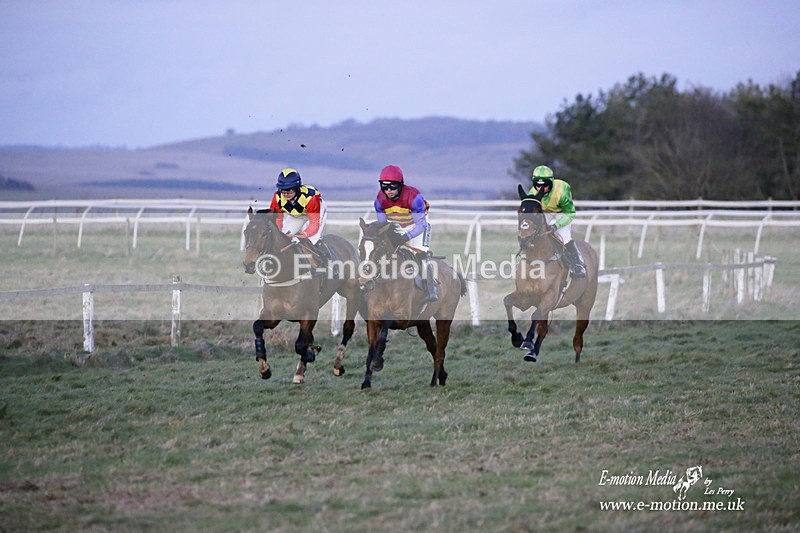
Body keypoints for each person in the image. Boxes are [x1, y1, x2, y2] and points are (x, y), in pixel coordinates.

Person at [374, 164, 438, 303]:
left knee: (420, 253)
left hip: (417, 224)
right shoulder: (379, 200)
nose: (388, 190)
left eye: (392, 186)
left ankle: (430, 288)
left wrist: (406, 237)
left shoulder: (414, 197)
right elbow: (383, 225)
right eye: (384, 186)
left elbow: (421, 224)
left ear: (400, 185)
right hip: (397, 225)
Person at [527, 165, 586, 278]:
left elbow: (570, 213)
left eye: (545, 185)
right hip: (546, 212)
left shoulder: (561, 191)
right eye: (537, 185)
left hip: (562, 212)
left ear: (551, 182)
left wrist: (556, 225)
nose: (541, 189)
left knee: (564, 235)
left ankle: (578, 263)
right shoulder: (532, 194)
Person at [268, 168, 328, 260]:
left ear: (297, 188)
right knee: (284, 237)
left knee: (312, 239)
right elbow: (277, 220)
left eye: (289, 190)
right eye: (283, 190)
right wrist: (279, 234)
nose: (286, 194)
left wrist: (303, 234)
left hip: (316, 212)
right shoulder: (277, 197)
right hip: (297, 215)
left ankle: (326, 261)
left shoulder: (310, 197)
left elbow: (314, 223)